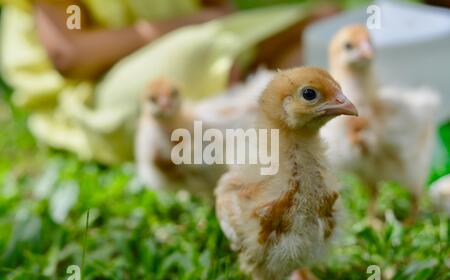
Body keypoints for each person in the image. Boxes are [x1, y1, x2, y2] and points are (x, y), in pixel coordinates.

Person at [0, 0, 333, 164]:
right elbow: (70, 56)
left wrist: (206, 20)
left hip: (195, 45)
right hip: (93, 90)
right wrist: (189, 24)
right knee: (202, 52)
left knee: (323, 23)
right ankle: (245, 112)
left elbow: (220, 10)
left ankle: (261, 113)